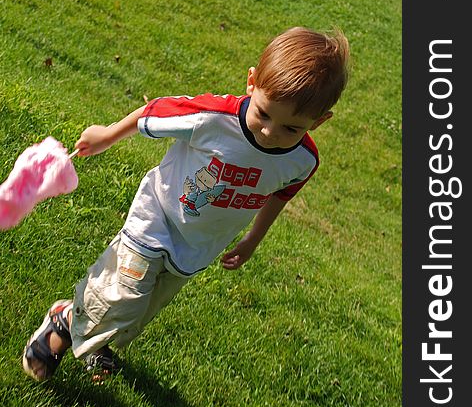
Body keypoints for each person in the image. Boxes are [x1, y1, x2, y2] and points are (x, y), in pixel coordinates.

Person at [22, 26, 350, 382]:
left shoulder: (301, 160)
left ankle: (98, 338)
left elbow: (280, 196)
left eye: (291, 128)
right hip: (158, 215)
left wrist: (253, 240)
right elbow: (157, 111)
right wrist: (108, 134)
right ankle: (66, 322)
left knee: (142, 310)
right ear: (251, 83)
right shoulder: (214, 118)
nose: (270, 133)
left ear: (318, 122)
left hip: (198, 244)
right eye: (265, 114)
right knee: (124, 293)